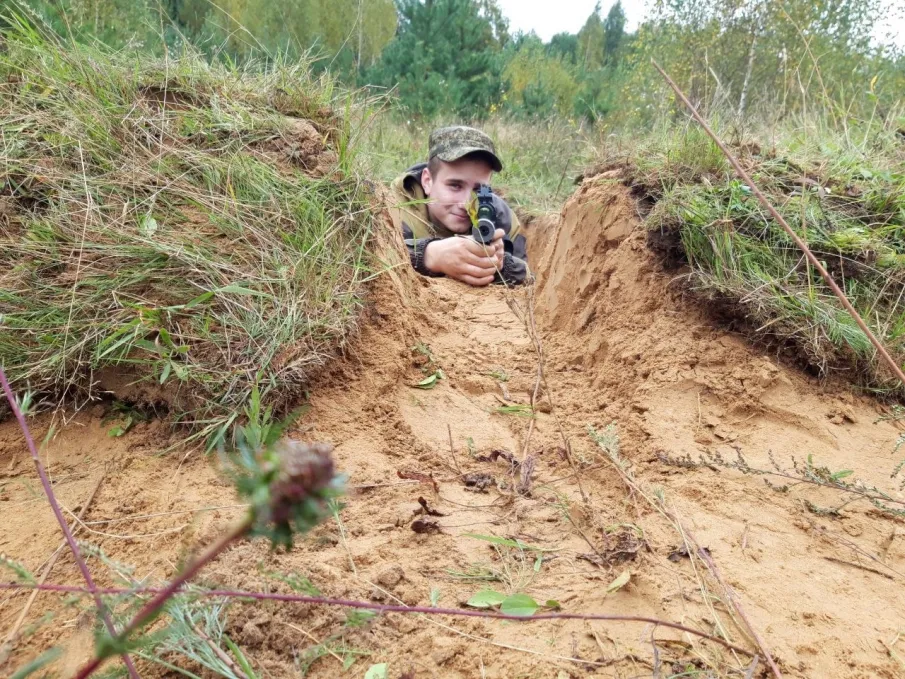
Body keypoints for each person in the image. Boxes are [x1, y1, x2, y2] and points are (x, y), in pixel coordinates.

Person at [388, 126, 528, 286]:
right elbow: (372, 261)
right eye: (455, 186)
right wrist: (429, 256)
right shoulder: (394, 208)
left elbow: (530, 279)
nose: (465, 204)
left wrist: (501, 265)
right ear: (427, 181)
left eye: (478, 190)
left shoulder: (502, 217)